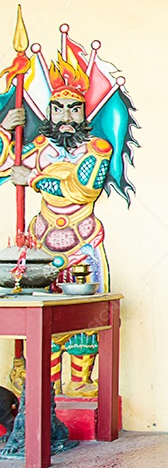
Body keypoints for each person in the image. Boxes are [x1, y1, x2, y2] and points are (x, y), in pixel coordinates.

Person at [0, 57, 113, 397]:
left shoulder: (97, 148)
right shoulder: (36, 149)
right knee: (43, 322)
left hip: (82, 243)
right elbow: (5, 166)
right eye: (58, 108)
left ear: (85, 114)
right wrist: (6, 129)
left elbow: (82, 187)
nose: (65, 117)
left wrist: (32, 178)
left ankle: (79, 385)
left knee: (83, 323)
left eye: (73, 109)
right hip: (42, 243)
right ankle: (43, 391)